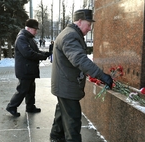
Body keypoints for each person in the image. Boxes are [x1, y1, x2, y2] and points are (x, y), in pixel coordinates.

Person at [49, 9, 113, 142]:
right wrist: (101, 75)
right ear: (79, 21)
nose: (90, 28)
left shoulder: (69, 33)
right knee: (73, 120)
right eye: (88, 24)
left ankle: (56, 137)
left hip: (64, 85)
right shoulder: (70, 36)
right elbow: (79, 59)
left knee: (62, 113)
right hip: (67, 86)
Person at [6, 19, 51, 117]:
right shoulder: (22, 38)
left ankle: (30, 106)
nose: (36, 31)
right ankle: (11, 106)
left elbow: (35, 51)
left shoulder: (29, 38)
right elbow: (28, 53)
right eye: (35, 29)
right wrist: (42, 56)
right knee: (22, 89)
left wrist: (45, 54)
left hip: (29, 70)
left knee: (31, 89)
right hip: (24, 70)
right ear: (29, 28)